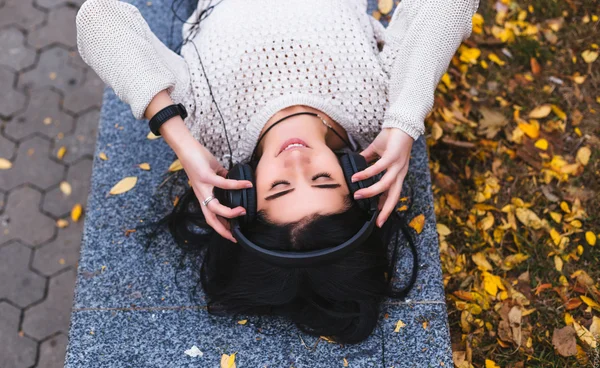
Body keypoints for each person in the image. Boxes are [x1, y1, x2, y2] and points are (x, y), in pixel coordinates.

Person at [76, 0, 479, 343]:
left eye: (280, 186)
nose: (297, 162)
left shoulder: (209, 128)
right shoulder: (378, 111)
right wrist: (407, 118)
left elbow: (97, 18)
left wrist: (178, 137)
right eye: (323, 179)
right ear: (350, 170)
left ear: (246, 191)